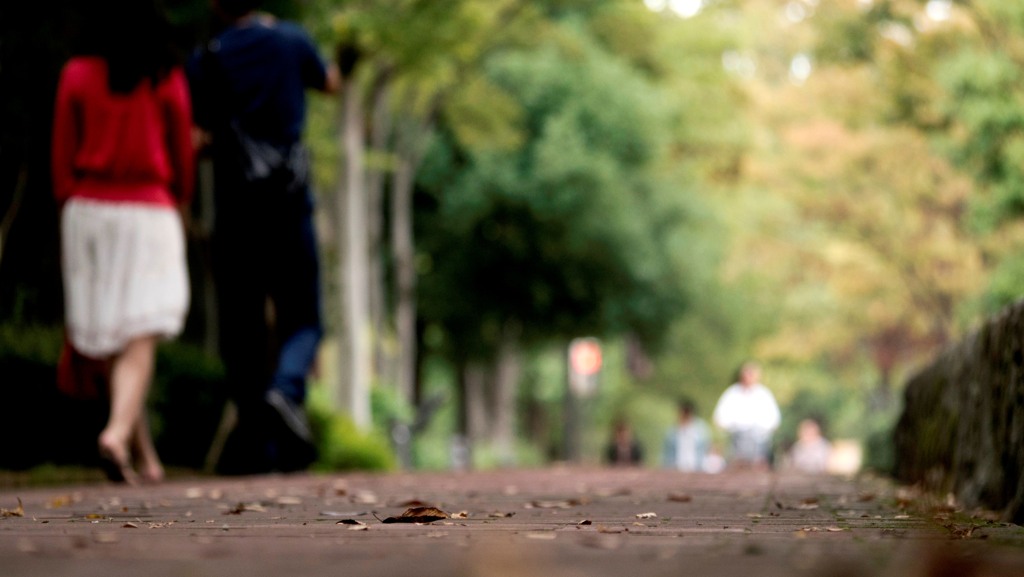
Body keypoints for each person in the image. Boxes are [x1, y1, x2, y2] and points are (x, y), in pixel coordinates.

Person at [187, 0, 340, 474]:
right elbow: (331, 82)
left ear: (215, 4)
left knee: (245, 329)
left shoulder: (207, 57)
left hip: (237, 211)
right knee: (304, 317)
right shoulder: (291, 40)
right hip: (290, 203)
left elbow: (194, 138)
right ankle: (287, 389)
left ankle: (260, 448)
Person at [51, 0, 195, 484]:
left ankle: (143, 458)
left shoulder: (76, 74)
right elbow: (182, 157)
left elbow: (61, 156)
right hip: (148, 213)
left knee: (120, 336)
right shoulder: (166, 77)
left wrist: (73, 207)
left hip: (87, 212)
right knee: (141, 331)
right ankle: (115, 434)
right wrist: (180, 203)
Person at [712, 361, 781, 469]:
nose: (749, 376)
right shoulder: (731, 393)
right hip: (736, 441)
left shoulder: (764, 394)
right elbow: (720, 418)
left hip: (759, 442)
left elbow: (774, 420)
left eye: (752, 373)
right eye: (747, 373)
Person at [662, 399, 711, 472]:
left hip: (697, 468)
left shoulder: (700, 429)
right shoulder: (673, 431)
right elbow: (667, 452)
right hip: (676, 468)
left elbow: (706, 447)